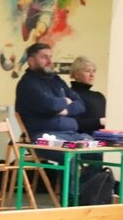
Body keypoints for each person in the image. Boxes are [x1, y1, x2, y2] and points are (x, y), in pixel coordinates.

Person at [15, 43, 97, 194]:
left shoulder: (56, 80)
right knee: (70, 155)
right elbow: (50, 106)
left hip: (72, 134)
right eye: (44, 57)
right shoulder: (27, 84)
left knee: (98, 151)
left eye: (50, 57)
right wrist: (65, 101)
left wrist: (64, 110)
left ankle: (87, 195)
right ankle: (70, 199)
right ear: (31, 61)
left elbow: (80, 104)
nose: (49, 61)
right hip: (43, 137)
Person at [69, 56, 107, 135]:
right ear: (76, 74)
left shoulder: (99, 96)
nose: (92, 75)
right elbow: (70, 123)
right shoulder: (70, 95)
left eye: (93, 71)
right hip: (77, 139)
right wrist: (99, 122)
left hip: (101, 139)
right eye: (87, 71)